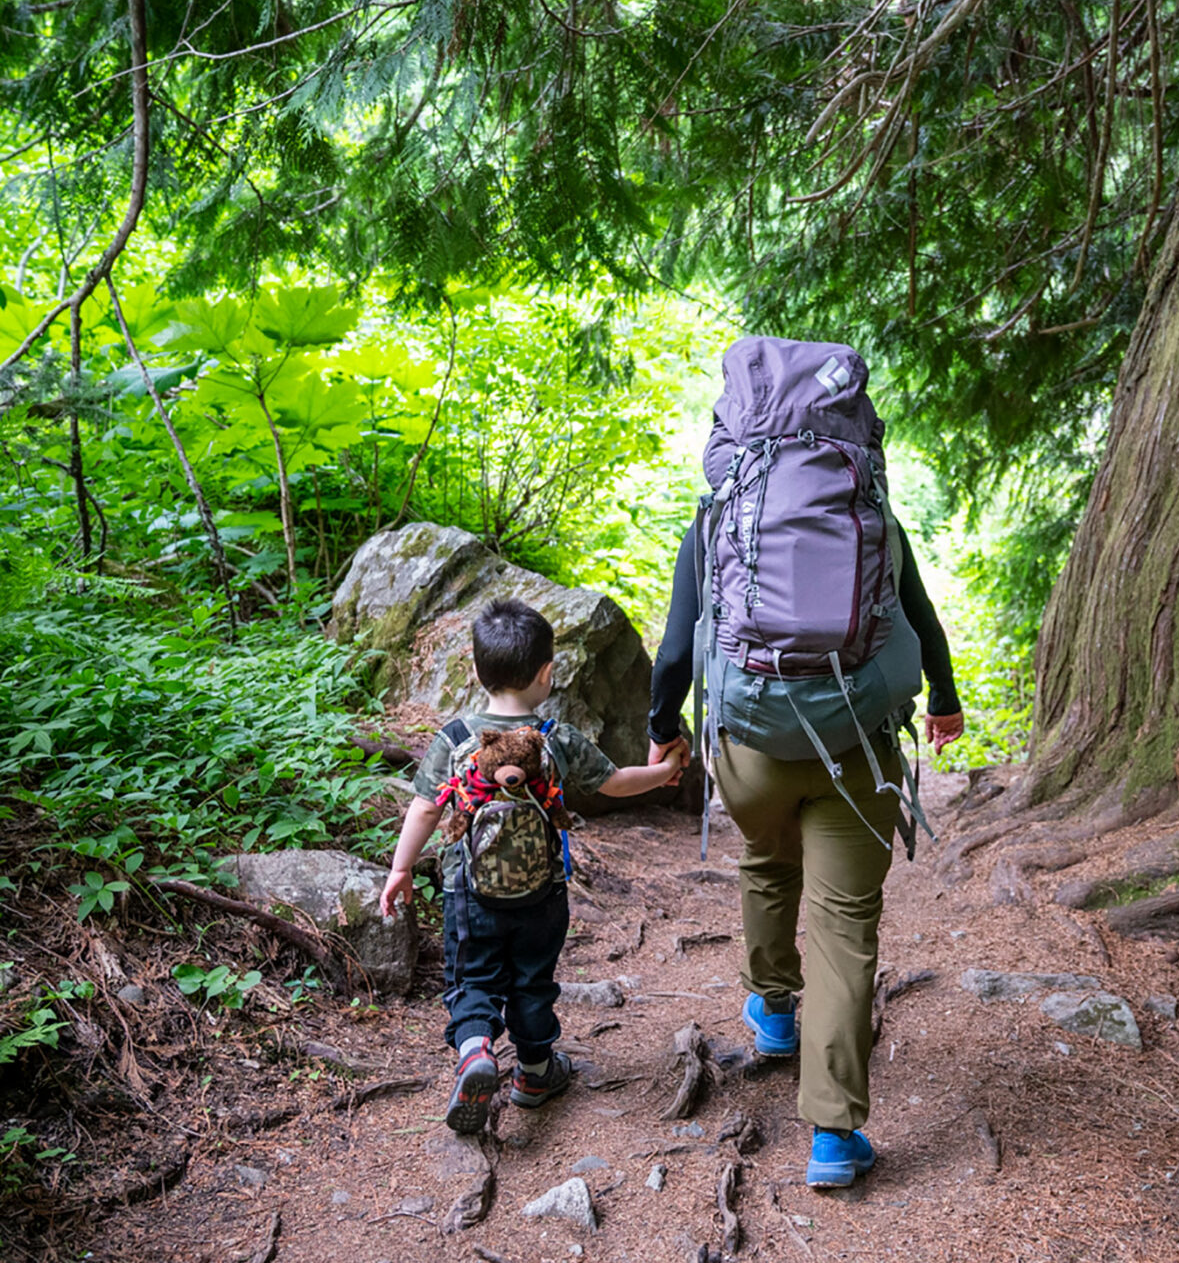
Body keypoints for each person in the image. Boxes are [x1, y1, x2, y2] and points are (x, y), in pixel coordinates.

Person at [647, 509, 964, 1188]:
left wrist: (662, 725)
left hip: (752, 752)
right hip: (857, 746)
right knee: (844, 927)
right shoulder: (869, 513)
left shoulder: (717, 520)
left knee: (766, 855)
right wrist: (944, 697)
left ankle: (774, 1011)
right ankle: (833, 1136)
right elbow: (920, 616)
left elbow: (675, 651)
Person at [380, 598, 685, 1134]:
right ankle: (536, 1072)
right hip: (543, 894)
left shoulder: (454, 739)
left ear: (476, 671)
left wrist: (400, 869)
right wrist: (663, 773)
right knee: (531, 979)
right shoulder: (556, 739)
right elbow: (615, 783)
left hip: (468, 892)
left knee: (471, 979)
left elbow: (426, 807)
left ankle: (475, 1050)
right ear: (547, 674)